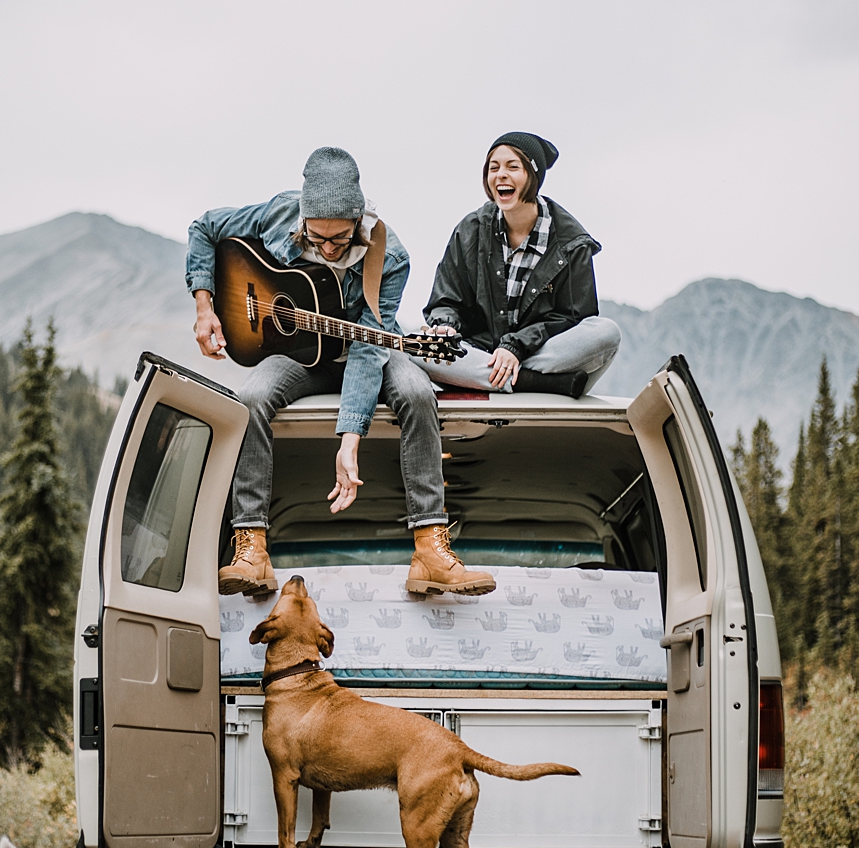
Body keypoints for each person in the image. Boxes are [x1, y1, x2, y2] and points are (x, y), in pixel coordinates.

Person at [186, 146, 495, 600]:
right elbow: (205, 228)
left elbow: (370, 351)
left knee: (415, 391)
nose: (328, 247)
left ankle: (429, 548)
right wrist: (205, 306)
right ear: (303, 218)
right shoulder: (277, 214)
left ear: (358, 221)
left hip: (368, 351)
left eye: (340, 238)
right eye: (316, 237)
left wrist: (349, 440)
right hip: (298, 354)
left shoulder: (388, 258)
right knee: (249, 399)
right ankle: (252, 548)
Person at [419, 131, 621, 396]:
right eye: (494, 168)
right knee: (415, 347)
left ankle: (499, 377)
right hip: (480, 349)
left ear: (533, 176)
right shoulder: (470, 230)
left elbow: (573, 317)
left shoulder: (571, 242)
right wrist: (445, 325)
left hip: (538, 350)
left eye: (512, 167)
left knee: (606, 333)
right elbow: (447, 300)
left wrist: (516, 346)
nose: (501, 174)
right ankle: (530, 382)